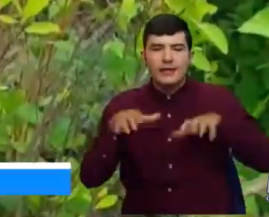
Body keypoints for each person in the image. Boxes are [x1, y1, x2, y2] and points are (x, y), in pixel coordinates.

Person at [79, 14, 269, 215]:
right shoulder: (122, 108)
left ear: (190, 56)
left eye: (177, 49)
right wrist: (113, 132)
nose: (167, 58)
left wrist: (225, 125)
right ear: (144, 56)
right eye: (157, 48)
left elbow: (264, 160)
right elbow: (90, 178)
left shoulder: (219, 102)